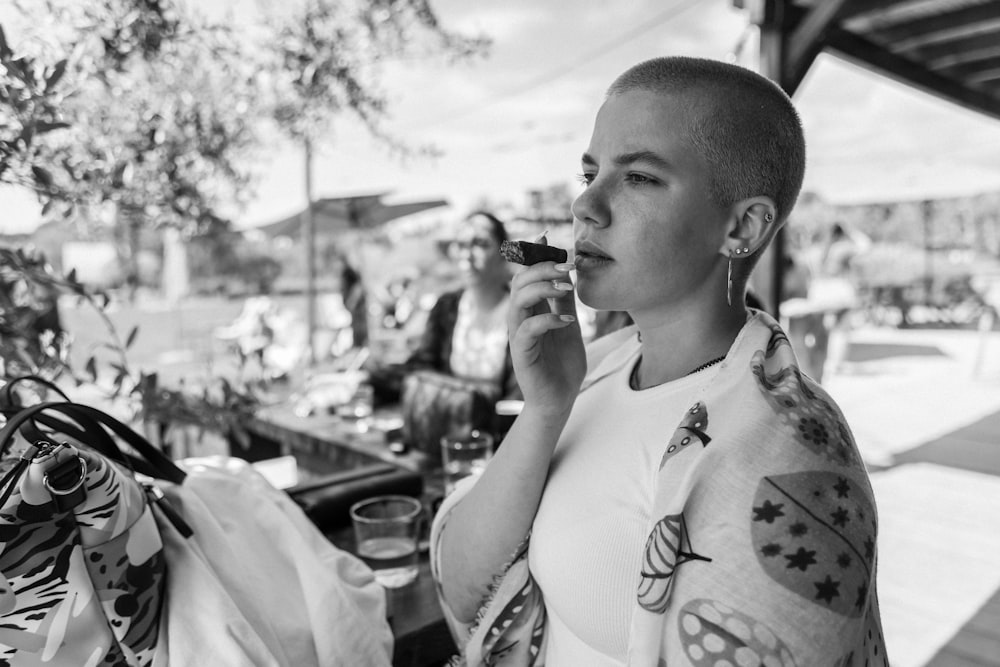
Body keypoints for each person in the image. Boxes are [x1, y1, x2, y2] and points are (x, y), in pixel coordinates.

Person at [430, 56, 886, 666]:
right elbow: (465, 587)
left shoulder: (791, 459)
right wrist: (545, 407)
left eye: (639, 177)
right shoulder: (602, 366)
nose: (586, 206)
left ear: (742, 228)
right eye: (589, 172)